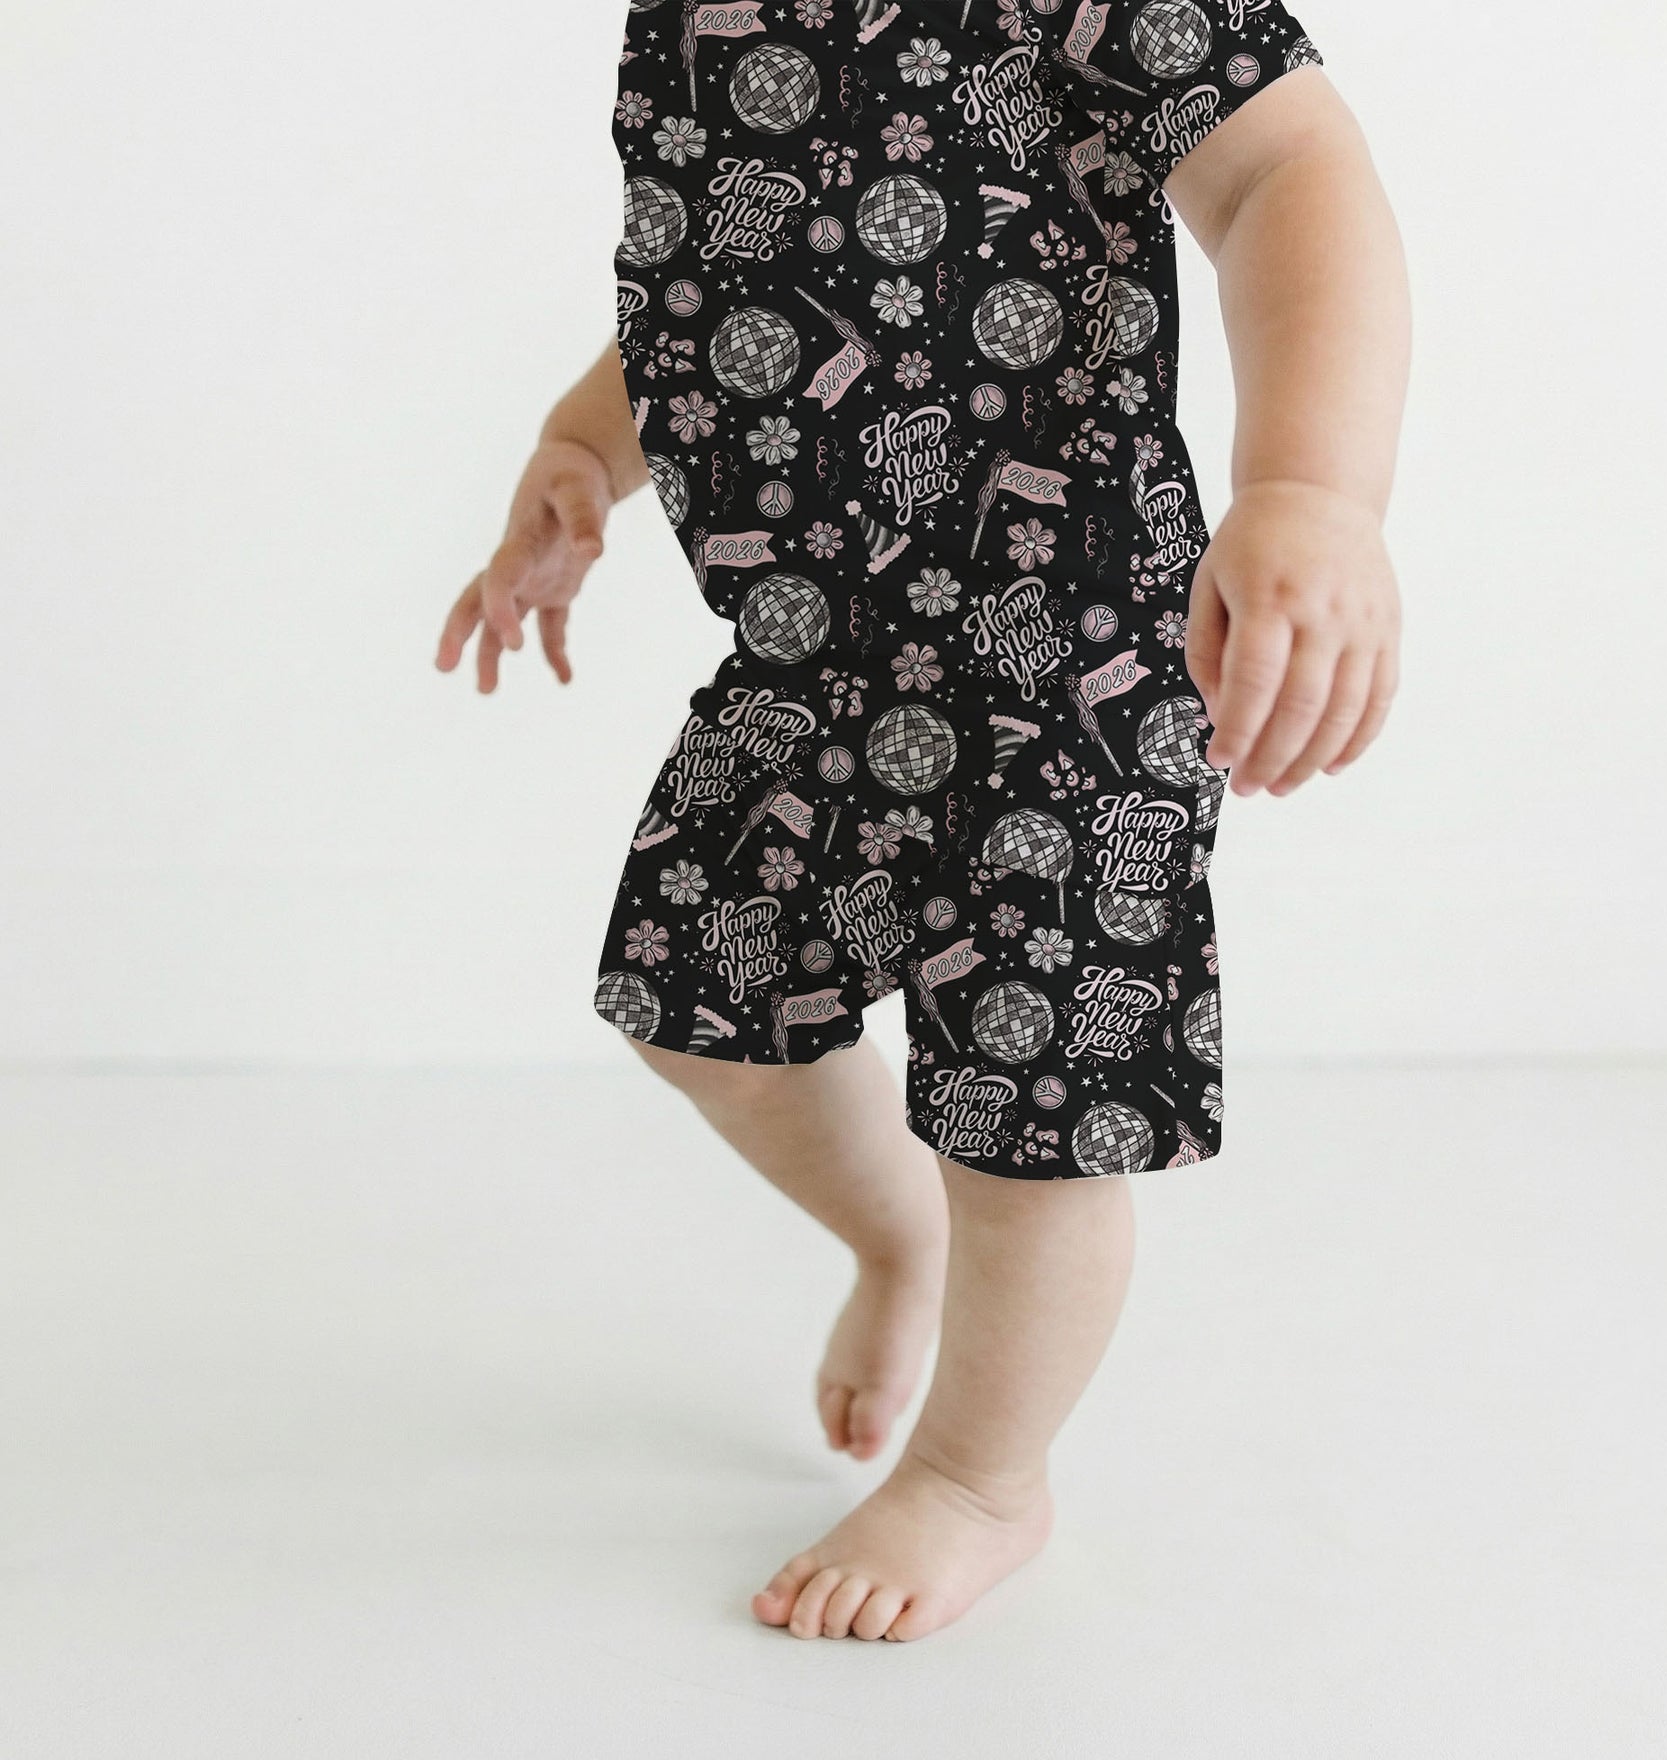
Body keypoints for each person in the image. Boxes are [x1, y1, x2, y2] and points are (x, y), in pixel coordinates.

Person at [436, 0, 1408, 1644]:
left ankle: (979, 1478)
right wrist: (583, 448)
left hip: (1072, 655)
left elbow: (1286, 171)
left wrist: (1313, 491)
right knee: (698, 1008)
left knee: (1032, 1129)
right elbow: (731, 286)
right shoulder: (694, 23)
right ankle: (900, 1238)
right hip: (808, 654)